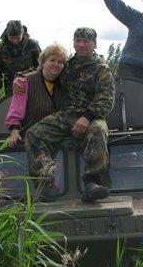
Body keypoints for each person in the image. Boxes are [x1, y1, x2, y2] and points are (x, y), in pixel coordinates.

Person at [18, 28, 115, 202]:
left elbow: (106, 99)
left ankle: (92, 182)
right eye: (78, 41)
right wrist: (19, 79)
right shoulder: (66, 65)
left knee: (98, 131)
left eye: (86, 41)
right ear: (74, 43)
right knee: (34, 134)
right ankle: (46, 183)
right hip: (66, 115)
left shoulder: (102, 69)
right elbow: (43, 70)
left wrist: (86, 117)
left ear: (94, 44)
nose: (81, 45)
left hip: (92, 116)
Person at [4, 42, 68, 148]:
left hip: (58, 142)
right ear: (43, 62)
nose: (56, 64)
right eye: (52, 60)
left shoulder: (65, 83)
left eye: (60, 62)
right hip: (32, 142)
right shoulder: (25, 82)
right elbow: (15, 112)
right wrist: (14, 132)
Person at [0, 20, 41, 103]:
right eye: (12, 38)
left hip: (31, 83)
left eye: (18, 38)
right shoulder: (1, 48)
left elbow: (41, 66)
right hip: (11, 87)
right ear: (7, 34)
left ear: (22, 33)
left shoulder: (33, 45)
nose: (15, 41)